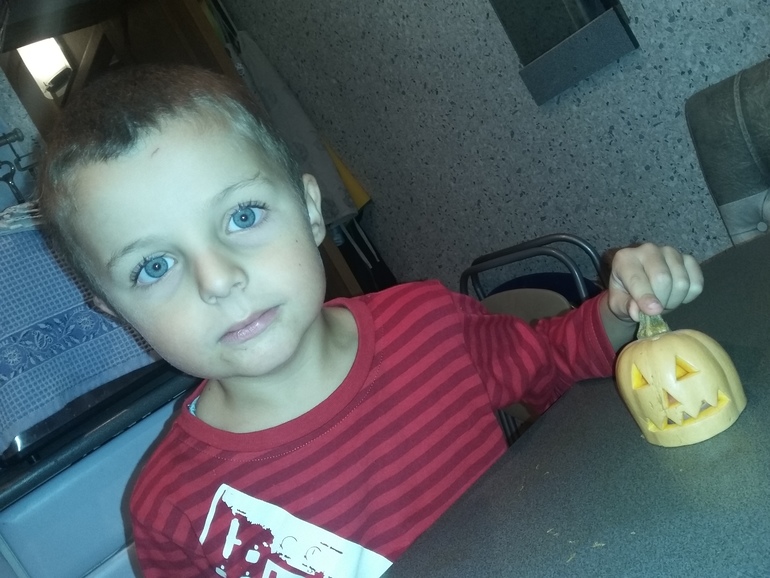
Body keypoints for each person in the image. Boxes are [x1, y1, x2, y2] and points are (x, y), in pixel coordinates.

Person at [37, 64, 703, 578]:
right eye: (154, 267)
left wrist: (623, 307)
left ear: (310, 210)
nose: (218, 281)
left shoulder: (427, 326)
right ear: (114, 311)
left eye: (242, 216)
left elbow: (556, 357)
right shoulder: (170, 510)